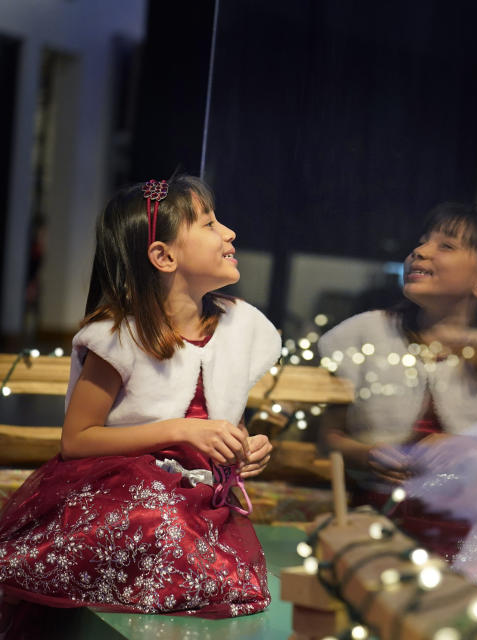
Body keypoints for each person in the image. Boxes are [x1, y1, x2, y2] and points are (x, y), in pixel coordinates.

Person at [0, 175, 280, 624]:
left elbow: (219, 415)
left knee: (225, 575)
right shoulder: (119, 336)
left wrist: (242, 445)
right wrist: (180, 431)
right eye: (209, 224)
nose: (228, 233)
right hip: (124, 492)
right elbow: (76, 440)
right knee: (156, 523)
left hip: (201, 498)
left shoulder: (242, 327)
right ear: (163, 256)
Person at [318, 203, 477, 572]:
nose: (420, 251)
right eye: (421, 242)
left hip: (472, 533)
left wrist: (468, 451)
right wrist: (367, 454)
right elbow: (327, 437)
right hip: (370, 519)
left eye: (446, 246)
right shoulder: (363, 333)